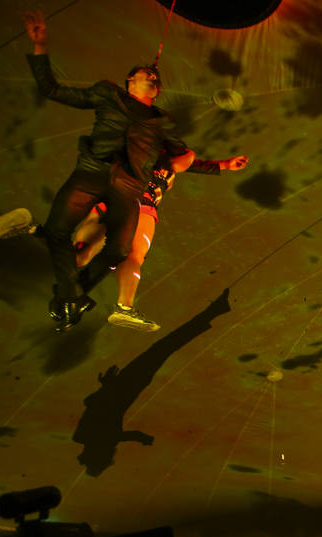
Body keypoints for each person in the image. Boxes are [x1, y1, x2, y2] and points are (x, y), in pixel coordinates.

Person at [18, 11, 192, 330]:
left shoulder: (162, 122)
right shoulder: (106, 94)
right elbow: (52, 90)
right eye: (145, 73)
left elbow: (184, 156)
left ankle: (67, 299)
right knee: (61, 231)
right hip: (92, 171)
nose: (153, 76)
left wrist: (191, 164)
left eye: (156, 78)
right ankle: (69, 294)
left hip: (128, 186)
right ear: (129, 81)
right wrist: (40, 46)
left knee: (119, 250)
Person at [70, 147, 249, 331]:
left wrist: (224, 164)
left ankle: (123, 305)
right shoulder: (149, 153)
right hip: (129, 198)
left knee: (129, 255)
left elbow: (193, 165)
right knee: (91, 251)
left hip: (136, 205)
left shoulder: (168, 166)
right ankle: (63, 256)